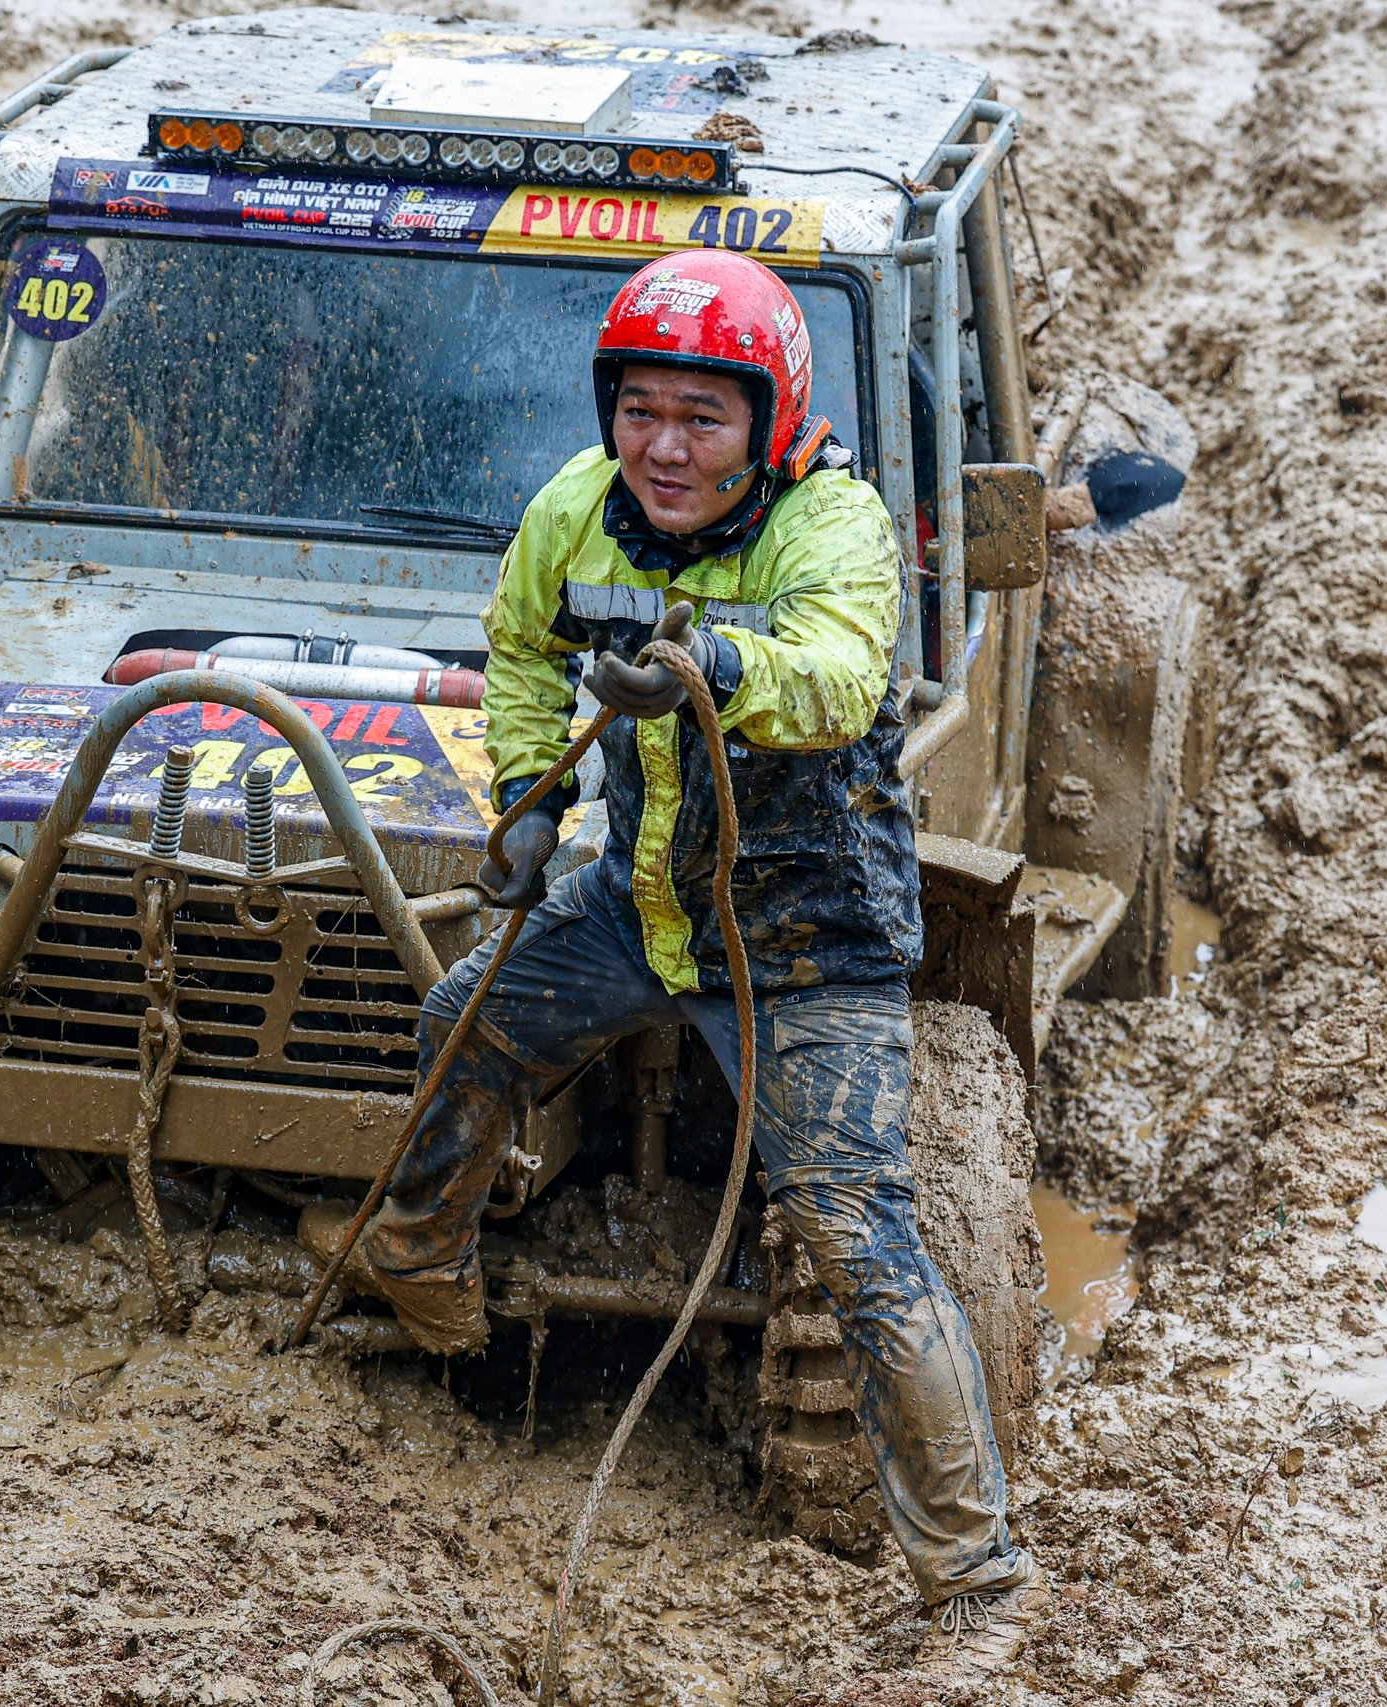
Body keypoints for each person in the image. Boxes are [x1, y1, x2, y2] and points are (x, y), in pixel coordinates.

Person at [304, 249, 1051, 1679]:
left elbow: (840, 677)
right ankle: (419, 1257)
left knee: (860, 1239)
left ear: (770, 422)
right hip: (639, 909)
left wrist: (719, 667)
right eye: (640, 410)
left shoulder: (834, 527)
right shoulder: (574, 511)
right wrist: (527, 798)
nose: (664, 448)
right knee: (464, 1018)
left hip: (802, 942)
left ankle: (977, 1576)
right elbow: (521, 646)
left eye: (703, 419)